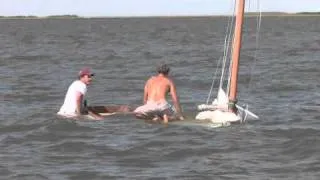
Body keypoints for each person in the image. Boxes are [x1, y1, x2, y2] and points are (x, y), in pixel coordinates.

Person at [57, 68, 132, 120]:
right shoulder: (81, 85)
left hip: (62, 113)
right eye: (88, 77)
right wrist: (80, 114)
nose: (91, 79)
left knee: (92, 112)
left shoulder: (75, 84)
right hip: (72, 114)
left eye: (91, 76)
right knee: (101, 120)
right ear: (82, 77)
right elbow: (78, 98)